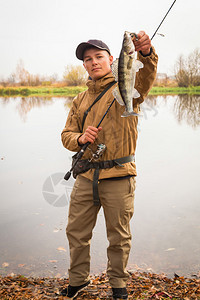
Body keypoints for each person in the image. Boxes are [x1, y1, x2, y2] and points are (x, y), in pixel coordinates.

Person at [61, 31, 158, 299]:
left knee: (119, 237)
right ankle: (78, 281)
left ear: (112, 58)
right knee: (76, 232)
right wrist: (80, 137)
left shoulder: (126, 87)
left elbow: (146, 76)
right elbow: (66, 135)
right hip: (85, 177)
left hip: (119, 176)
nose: (93, 62)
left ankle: (118, 285)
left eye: (99, 56)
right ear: (84, 65)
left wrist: (147, 55)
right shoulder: (79, 99)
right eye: (88, 59)